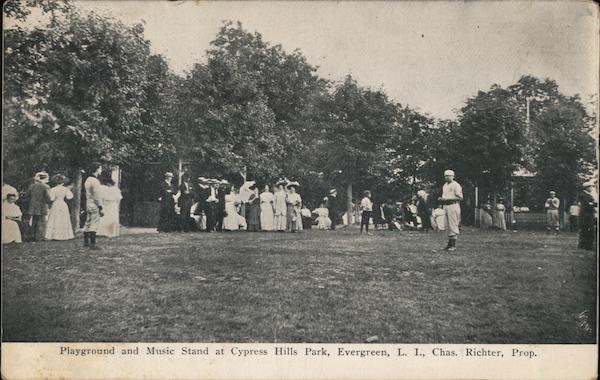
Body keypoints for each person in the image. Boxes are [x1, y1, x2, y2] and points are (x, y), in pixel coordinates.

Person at [45, 174, 75, 241]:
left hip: (56, 204)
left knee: (55, 219)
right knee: (63, 219)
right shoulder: (65, 189)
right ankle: (64, 235)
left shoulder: (53, 189)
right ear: (63, 182)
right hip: (63, 204)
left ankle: (55, 235)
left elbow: (51, 198)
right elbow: (70, 197)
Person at [438, 170, 463, 251]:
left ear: (453, 176)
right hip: (446, 206)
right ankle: (449, 245)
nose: (447, 177)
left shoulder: (456, 185)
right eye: (446, 176)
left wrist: (447, 199)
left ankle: (453, 245)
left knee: (453, 224)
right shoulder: (445, 185)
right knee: (447, 225)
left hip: (453, 205)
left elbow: (460, 198)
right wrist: (442, 200)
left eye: (449, 176)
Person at [83, 163, 104, 249]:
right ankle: (93, 244)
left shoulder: (88, 179)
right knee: (94, 223)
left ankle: (86, 242)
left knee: (88, 222)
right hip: (94, 204)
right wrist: (100, 206)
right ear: (97, 169)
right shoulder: (95, 181)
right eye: (100, 168)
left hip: (88, 203)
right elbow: (97, 195)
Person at [27, 171, 51, 242]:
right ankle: (40, 237)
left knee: (34, 221)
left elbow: (27, 195)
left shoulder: (32, 186)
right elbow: (48, 198)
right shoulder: (45, 186)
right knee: (42, 222)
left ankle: (32, 236)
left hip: (33, 206)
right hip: (42, 206)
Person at [578, 181, 597, 251]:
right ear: (587, 187)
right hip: (585, 215)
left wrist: (592, 204)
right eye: (591, 187)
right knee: (586, 230)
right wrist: (593, 204)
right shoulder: (583, 195)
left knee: (589, 230)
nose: (592, 188)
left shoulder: (589, 195)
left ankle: (587, 245)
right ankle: (586, 245)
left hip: (589, 214)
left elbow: (591, 204)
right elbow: (586, 204)